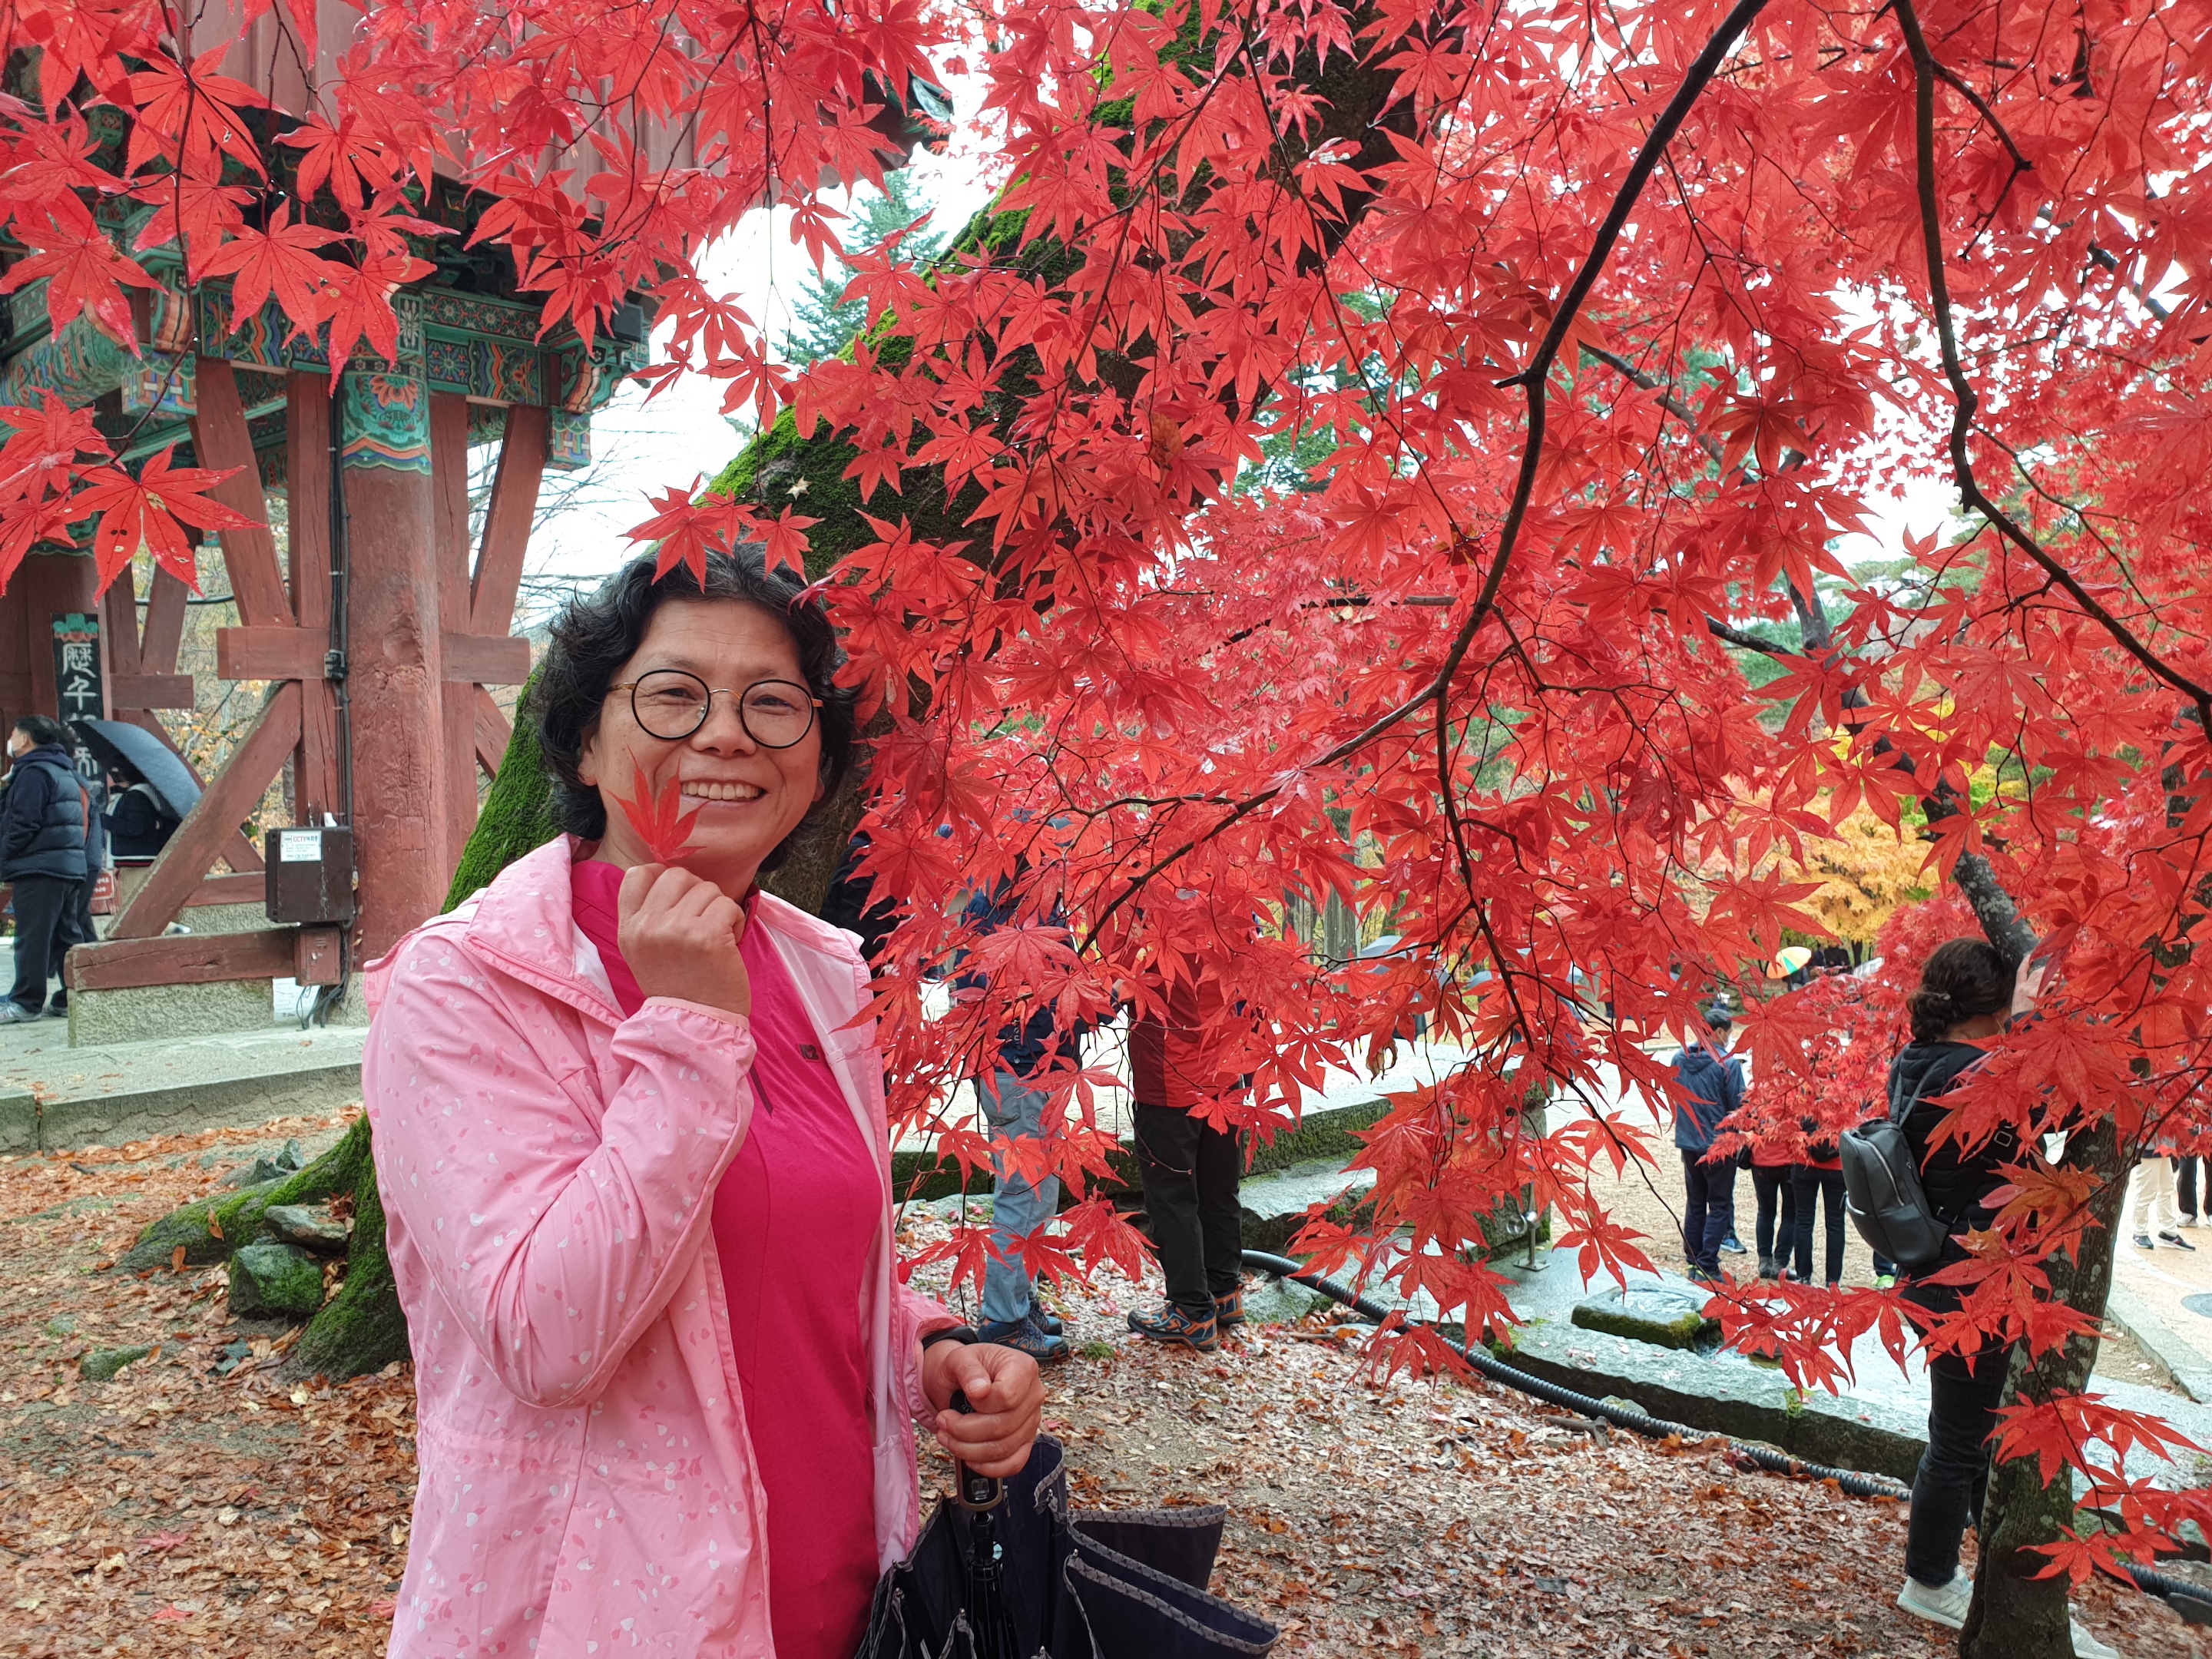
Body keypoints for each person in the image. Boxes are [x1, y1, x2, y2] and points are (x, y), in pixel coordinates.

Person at [361, 551, 1045, 1659]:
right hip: (608, 1618)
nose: (727, 735)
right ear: (585, 743)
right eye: (675, 695)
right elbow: (548, 1339)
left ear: (817, 762)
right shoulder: (467, 984)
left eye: (773, 704)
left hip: (844, 1599)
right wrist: (688, 1030)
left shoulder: (823, 970)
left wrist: (927, 1349)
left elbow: (792, 1259)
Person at [1888, 939, 2118, 1659]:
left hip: (1941, 1276)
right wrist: (2031, 1019)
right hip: (1973, 1287)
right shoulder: (1973, 1071)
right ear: (1989, 1008)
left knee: (1970, 1440)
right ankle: (1930, 1578)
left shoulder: (1916, 1060)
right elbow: (2062, 1105)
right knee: (1962, 1442)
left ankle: (1985, 1582)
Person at [957, 874, 1086, 1364]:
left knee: (1037, 1196)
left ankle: (1019, 1299)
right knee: (1023, 1197)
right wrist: (1111, 996)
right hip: (1023, 1072)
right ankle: (1004, 1321)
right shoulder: (1020, 909)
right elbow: (1060, 1003)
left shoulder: (996, 900)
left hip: (1026, 1071)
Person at [1128, 949, 1246, 1352]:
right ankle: (1224, 1292)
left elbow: (1119, 984)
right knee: (1220, 1189)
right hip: (1225, 1072)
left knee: (1173, 1198)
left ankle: (1191, 1309)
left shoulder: (1148, 922)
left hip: (1169, 1078)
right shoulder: (1236, 914)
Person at [0, 716, 89, 1024]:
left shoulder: (34, 772)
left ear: (25, 739)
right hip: (65, 865)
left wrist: (3, 855)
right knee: (66, 936)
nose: (10, 739)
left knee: (33, 937)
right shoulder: (62, 770)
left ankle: (26, 1001)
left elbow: (24, 823)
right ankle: (73, 996)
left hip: (39, 866)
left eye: (14, 733)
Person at [1669, 1008, 1744, 1283]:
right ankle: (1707, 1263)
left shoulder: (1679, 1058)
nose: (1729, 1040)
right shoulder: (1728, 1064)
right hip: (1718, 1144)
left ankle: (1693, 1259)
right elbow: (1738, 1107)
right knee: (1720, 1204)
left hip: (1689, 1141)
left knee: (1696, 1202)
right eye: (1729, 1034)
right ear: (1719, 1032)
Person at [1790, 1121, 1849, 1289]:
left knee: (1804, 1219)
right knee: (1836, 1223)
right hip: (1837, 1165)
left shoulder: (1801, 1102)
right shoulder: (1847, 1102)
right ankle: (1833, 1280)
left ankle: (1803, 1276)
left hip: (1804, 1161)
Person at [1747, 1113, 1798, 1283]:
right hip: (1789, 1159)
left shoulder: (1758, 1099)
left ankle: (1765, 1262)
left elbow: (1746, 1123)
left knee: (1765, 1212)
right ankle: (1780, 1263)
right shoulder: (1797, 1097)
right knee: (1790, 1214)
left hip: (1761, 1159)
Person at [103, 761, 180, 862]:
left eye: (115, 774)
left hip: (137, 858)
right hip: (135, 856)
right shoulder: (134, 795)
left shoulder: (137, 797)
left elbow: (133, 827)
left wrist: (103, 819)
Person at [2129, 1149, 2194, 1251]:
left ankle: (2168, 1231)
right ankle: (2139, 1232)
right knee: (2145, 1192)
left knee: (2166, 1190)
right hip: (2148, 1150)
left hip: (2165, 1149)